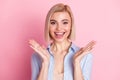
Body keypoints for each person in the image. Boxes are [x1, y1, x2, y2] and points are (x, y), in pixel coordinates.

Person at [29, 3, 96, 80]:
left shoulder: (85, 56)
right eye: (53, 23)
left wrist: (77, 63)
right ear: (48, 26)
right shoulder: (37, 57)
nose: (59, 28)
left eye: (65, 22)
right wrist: (45, 63)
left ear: (71, 26)